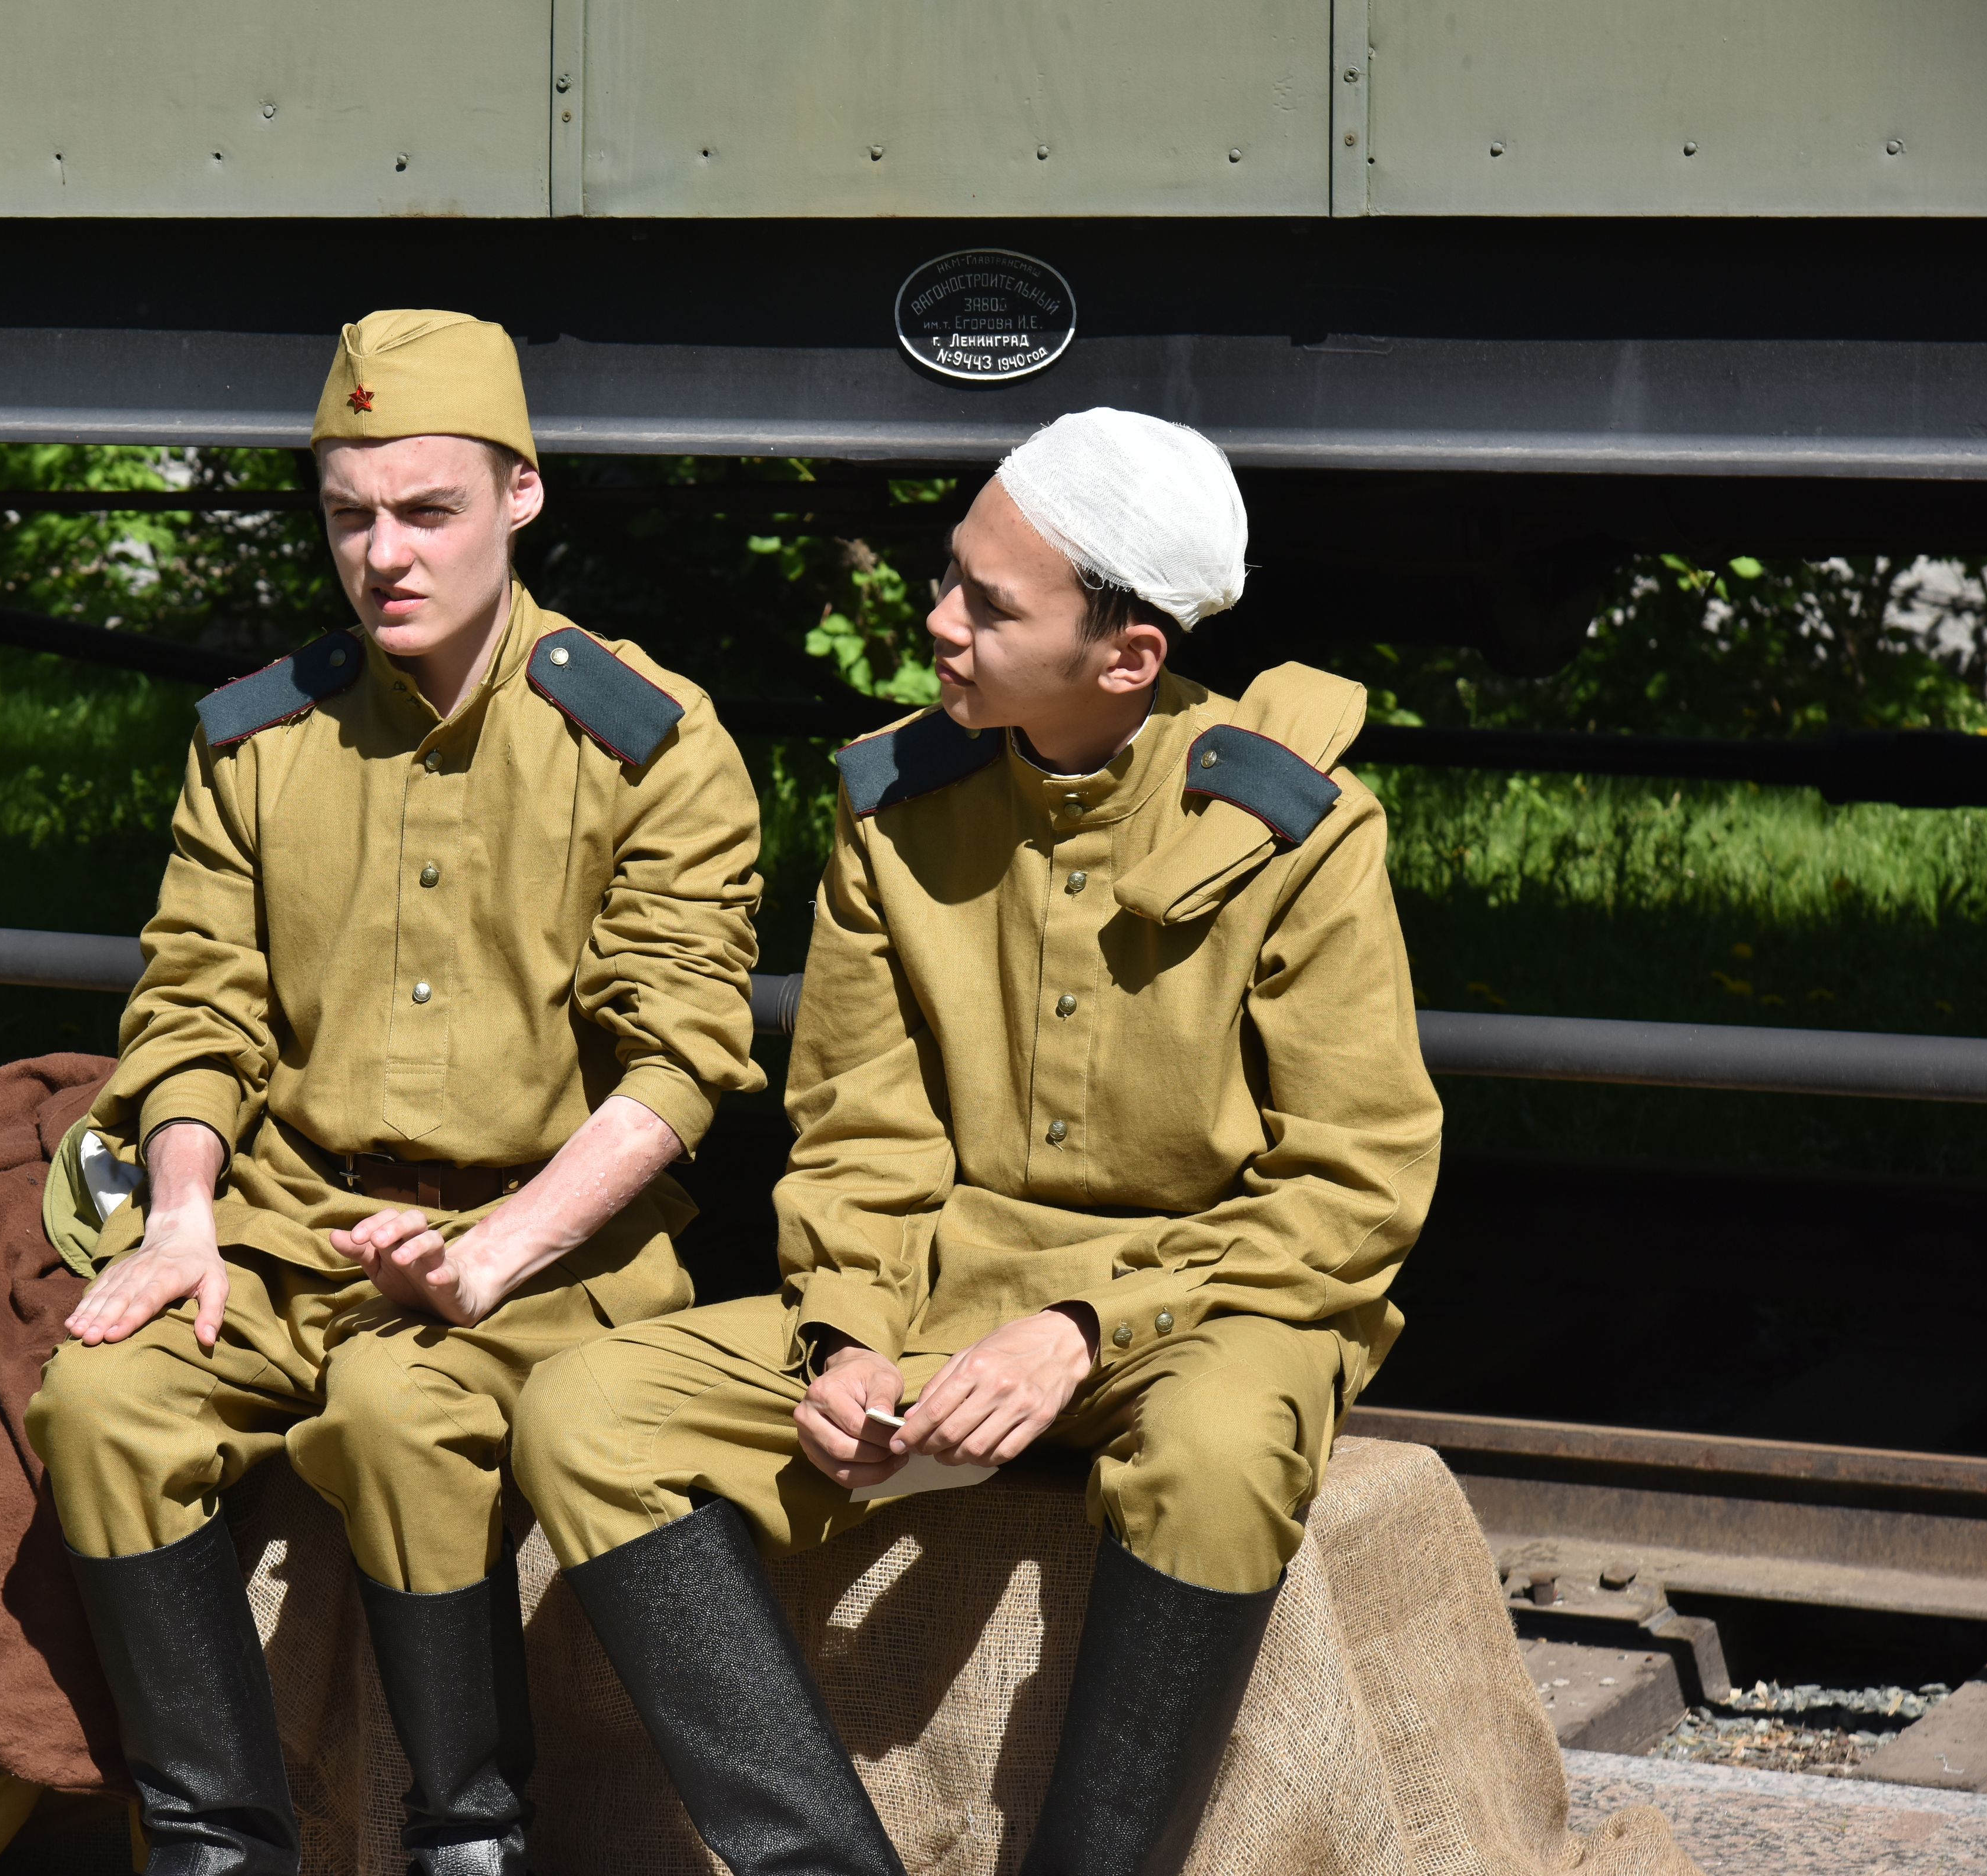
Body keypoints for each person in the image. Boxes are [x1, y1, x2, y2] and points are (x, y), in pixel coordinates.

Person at [511, 408, 1444, 1876]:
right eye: (950, 573)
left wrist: (1083, 1330)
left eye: (990, 606)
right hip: (944, 1297)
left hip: (1209, 1309)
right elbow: (859, 1130)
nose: (939, 618)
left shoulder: (1301, 830)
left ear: (1125, 657)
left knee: (1218, 1453)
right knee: (586, 1413)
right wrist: (845, 1336)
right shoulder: (895, 803)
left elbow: (1356, 1175)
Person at [25, 309, 765, 1875]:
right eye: (349, 516)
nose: (385, 556)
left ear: (522, 495)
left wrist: (500, 1249)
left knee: (394, 1409)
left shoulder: (648, 741)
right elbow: (198, 1002)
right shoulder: (259, 738)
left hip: (540, 1251)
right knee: (100, 1403)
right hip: (286, 1228)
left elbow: (685, 1056)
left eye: (428, 511)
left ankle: (467, 1835)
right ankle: (218, 1846)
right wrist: (180, 1213)